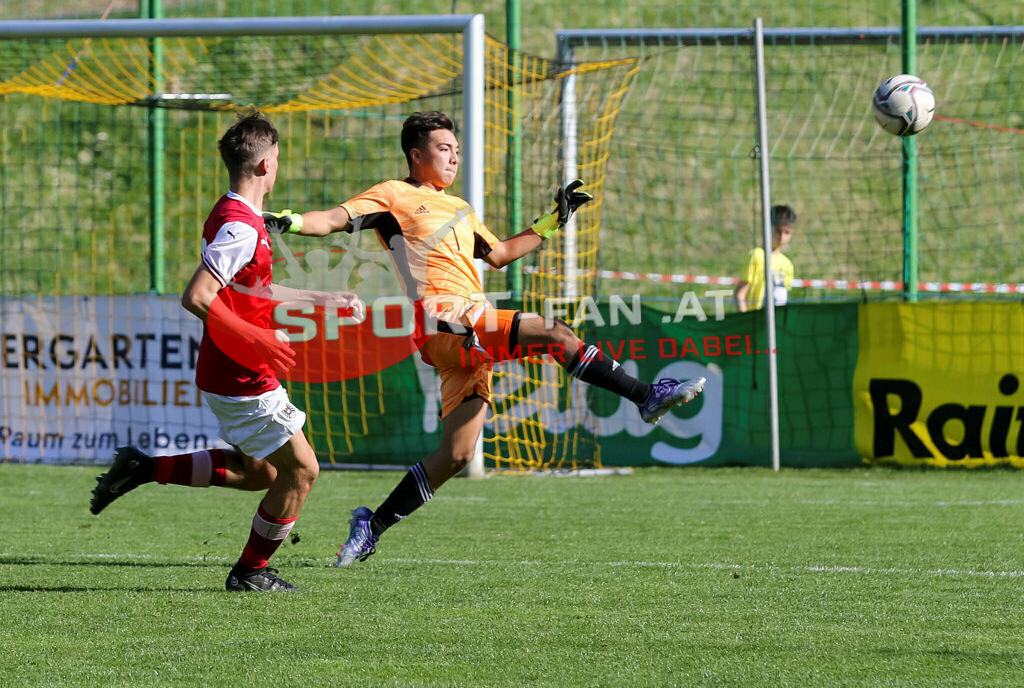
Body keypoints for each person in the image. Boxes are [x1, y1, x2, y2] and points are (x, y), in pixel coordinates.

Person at [263, 110, 706, 567]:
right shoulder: (393, 195)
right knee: (554, 332)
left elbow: (499, 255)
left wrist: (554, 220)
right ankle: (644, 395)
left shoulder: (460, 209)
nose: (454, 157)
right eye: (443, 149)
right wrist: (289, 222)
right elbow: (333, 218)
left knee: (456, 454)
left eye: (456, 150)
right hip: (443, 319)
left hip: (471, 325)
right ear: (416, 155)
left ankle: (369, 527)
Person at [89, 110, 363, 592]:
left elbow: (251, 291)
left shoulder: (235, 213)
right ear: (263, 166)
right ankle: (251, 571)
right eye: (276, 158)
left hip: (226, 368)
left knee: (258, 472)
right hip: (243, 375)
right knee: (302, 472)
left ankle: (145, 467)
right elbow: (196, 296)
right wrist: (256, 338)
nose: (278, 166)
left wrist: (323, 299)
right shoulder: (240, 226)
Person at [734, 204, 797, 312]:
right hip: (756, 322)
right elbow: (740, 294)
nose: (782, 237)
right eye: (778, 231)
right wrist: (745, 320)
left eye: (787, 232)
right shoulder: (757, 255)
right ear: (768, 227)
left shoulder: (788, 264)